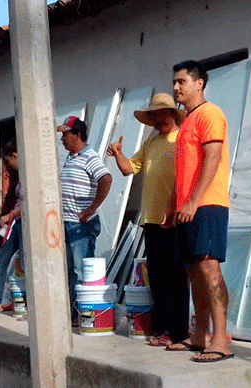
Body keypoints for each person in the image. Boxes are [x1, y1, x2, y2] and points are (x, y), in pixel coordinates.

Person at [107, 93, 189, 347]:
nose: (157, 119)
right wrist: (118, 154)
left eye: (162, 114)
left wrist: (174, 207)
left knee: (175, 276)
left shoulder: (182, 140)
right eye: (153, 116)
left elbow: (186, 179)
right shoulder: (152, 143)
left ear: (173, 114)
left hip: (174, 218)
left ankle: (178, 330)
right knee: (157, 275)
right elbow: (129, 168)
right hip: (151, 220)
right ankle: (163, 327)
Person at [164, 60, 233, 362]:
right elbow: (183, 171)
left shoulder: (210, 113)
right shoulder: (184, 125)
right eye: (174, 83)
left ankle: (221, 340)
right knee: (194, 272)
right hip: (187, 207)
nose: (176, 88)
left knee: (209, 269)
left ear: (199, 83)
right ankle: (200, 336)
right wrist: (174, 205)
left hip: (207, 204)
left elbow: (213, 157)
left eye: (181, 81)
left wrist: (193, 201)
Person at [57, 116, 112, 326]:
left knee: (82, 271)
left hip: (81, 225)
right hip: (68, 223)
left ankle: (85, 315)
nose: (62, 139)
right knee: (71, 272)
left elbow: (106, 179)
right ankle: (74, 315)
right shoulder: (71, 157)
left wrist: (91, 208)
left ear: (77, 134)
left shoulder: (90, 156)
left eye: (65, 134)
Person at [0, 138, 23, 311]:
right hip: (18, 223)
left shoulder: (30, 175)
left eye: (7, 162)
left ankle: (30, 304)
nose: (7, 167)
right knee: (1, 257)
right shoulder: (21, 176)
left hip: (25, 223)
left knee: (25, 262)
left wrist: (12, 214)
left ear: (15, 156)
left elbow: (33, 201)